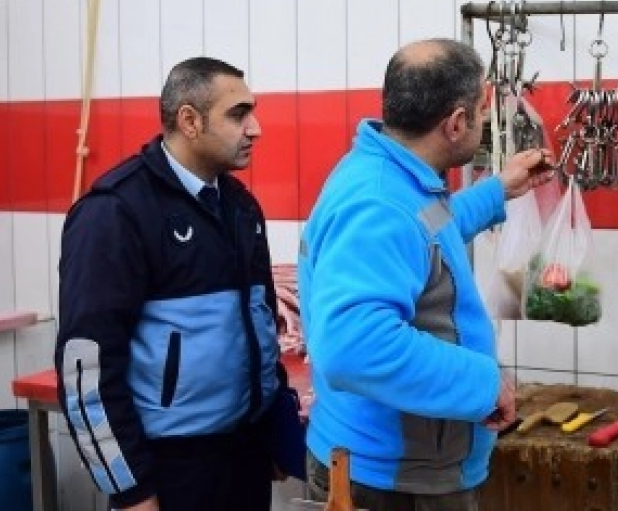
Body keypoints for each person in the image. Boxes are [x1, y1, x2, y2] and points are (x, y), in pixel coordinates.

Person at [298, 38, 553, 511]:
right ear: (456, 124)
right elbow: (354, 346)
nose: (484, 121)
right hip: (389, 482)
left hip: (400, 466)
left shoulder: (396, 180)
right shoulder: (378, 203)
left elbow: (430, 230)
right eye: (481, 111)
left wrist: (497, 191)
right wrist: (485, 383)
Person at [55, 57, 286, 511]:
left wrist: (272, 429)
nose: (255, 128)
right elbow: (85, 368)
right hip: (168, 469)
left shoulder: (240, 207)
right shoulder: (115, 211)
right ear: (189, 121)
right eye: (238, 114)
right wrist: (131, 490)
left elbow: (260, 327)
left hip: (243, 458)